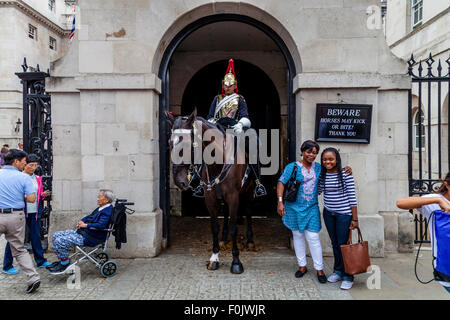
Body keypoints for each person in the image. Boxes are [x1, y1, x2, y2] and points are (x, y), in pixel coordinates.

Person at [192, 58, 267, 198]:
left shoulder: (240, 99)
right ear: (223, 85)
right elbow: (210, 115)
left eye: (230, 85)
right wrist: (212, 122)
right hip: (218, 127)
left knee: (250, 146)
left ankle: (257, 183)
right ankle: (199, 183)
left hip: (235, 127)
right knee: (203, 148)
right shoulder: (217, 98)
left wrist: (240, 124)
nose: (227, 87)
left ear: (234, 85)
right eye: (225, 85)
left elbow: (245, 116)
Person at [396, 172, 450, 293]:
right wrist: (436, 199)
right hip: (446, 266)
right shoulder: (435, 202)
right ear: (446, 185)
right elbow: (400, 203)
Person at [2, 154, 52, 274]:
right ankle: (7, 265)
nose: (33, 167)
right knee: (14, 239)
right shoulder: (20, 177)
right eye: (30, 165)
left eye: (35, 165)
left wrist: (41, 195)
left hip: (34, 211)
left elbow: (35, 195)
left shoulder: (37, 178)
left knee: (36, 236)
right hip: (20, 212)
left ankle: (40, 260)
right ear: (24, 165)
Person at [0, 149, 40, 293]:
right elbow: (31, 199)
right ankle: (33, 277)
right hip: (16, 217)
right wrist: (20, 197)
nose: (24, 165)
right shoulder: (24, 178)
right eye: (23, 163)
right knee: (19, 249)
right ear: (16, 161)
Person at [318, 147, 358, 290]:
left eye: (330, 159)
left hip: (344, 215)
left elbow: (352, 198)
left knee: (344, 245)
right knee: (335, 244)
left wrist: (355, 219)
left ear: (336, 160)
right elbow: (318, 191)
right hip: (329, 214)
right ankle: (338, 271)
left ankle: (348, 276)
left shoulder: (345, 174)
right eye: (324, 159)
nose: (327, 161)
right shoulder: (322, 175)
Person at [47, 189, 115, 274]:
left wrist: (86, 225)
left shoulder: (107, 211)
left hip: (91, 237)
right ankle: (61, 261)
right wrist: (81, 221)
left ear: (107, 199)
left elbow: (101, 225)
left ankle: (65, 264)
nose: (97, 198)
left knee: (59, 240)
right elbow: (89, 216)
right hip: (84, 232)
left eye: (99, 197)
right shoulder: (101, 208)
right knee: (55, 235)